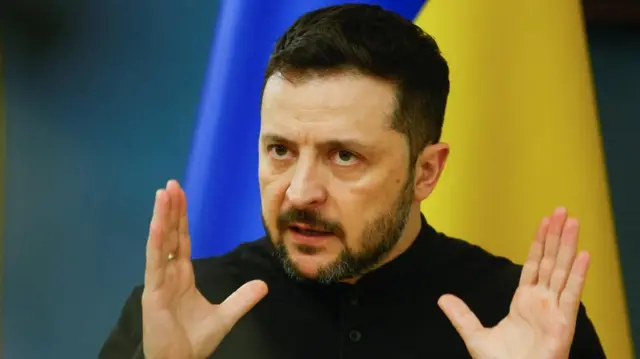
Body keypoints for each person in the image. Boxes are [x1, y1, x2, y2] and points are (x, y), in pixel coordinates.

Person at [99, 4, 606, 359]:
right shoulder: (187, 307)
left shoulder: (523, 320)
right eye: (280, 151)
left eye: (344, 156)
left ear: (425, 171)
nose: (299, 192)